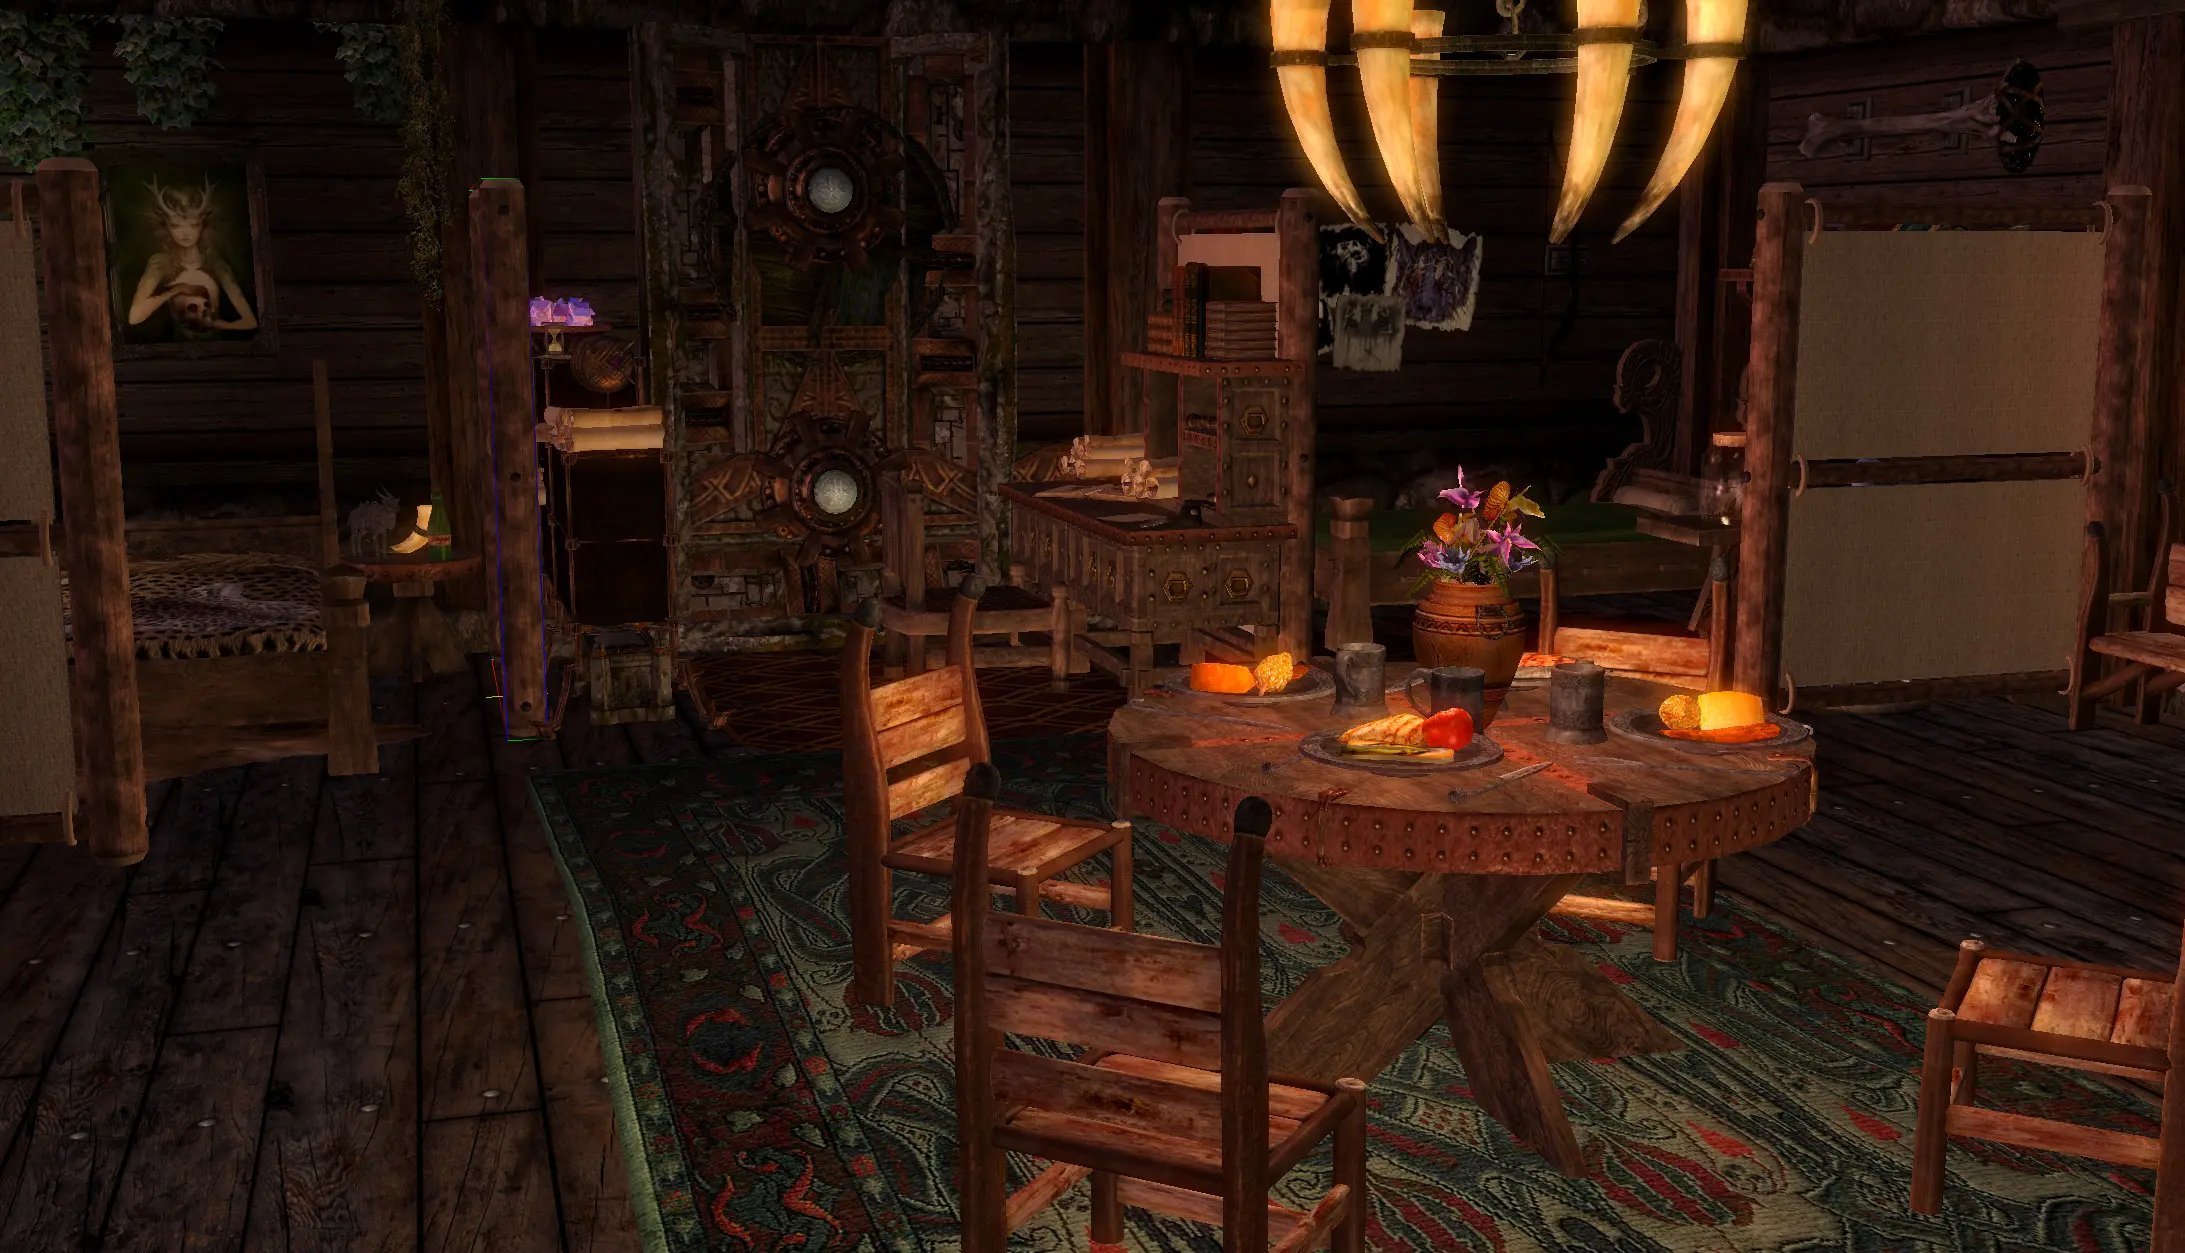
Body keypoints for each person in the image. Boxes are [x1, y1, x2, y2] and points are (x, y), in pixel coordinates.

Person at [124, 177, 257, 339]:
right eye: (176, 225)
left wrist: (218, 324)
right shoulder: (160, 263)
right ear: (166, 227)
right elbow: (134, 317)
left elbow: (250, 322)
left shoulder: (216, 265)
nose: (185, 233)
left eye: (194, 225)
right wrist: (178, 289)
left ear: (203, 226)